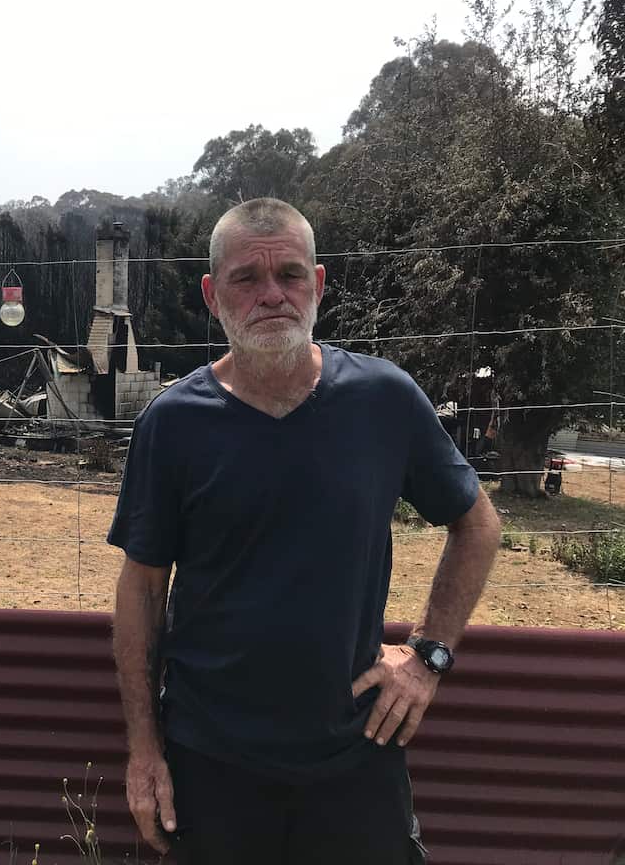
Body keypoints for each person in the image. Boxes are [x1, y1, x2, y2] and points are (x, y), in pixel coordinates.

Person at [108, 198, 501, 864]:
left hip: (356, 753)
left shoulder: (383, 400)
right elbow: (143, 588)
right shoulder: (174, 423)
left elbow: (478, 524)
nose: (272, 295)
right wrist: (145, 751)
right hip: (211, 761)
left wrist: (427, 658)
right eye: (246, 278)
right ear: (212, 295)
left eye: (289, 275)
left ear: (317, 285)